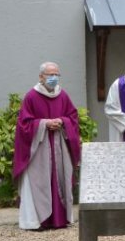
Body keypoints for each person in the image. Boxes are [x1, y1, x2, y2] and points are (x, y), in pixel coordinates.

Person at [13, 62, 82, 230]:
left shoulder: (63, 95)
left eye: (56, 75)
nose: (53, 78)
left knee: (60, 179)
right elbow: (24, 124)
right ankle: (36, 221)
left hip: (59, 147)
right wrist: (43, 123)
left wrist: (62, 121)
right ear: (41, 77)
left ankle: (59, 220)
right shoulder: (31, 96)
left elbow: (72, 117)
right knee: (38, 182)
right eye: (49, 75)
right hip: (39, 148)